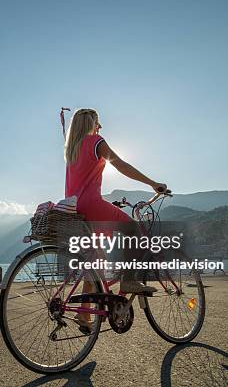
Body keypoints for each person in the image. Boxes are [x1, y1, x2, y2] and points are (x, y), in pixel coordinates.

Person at [64, 108, 167, 332]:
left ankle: (84, 314)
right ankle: (129, 279)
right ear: (92, 124)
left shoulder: (70, 151)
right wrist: (152, 183)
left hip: (74, 209)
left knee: (95, 262)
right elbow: (120, 164)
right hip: (92, 205)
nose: (100, 127)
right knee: (132, 229)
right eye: (98, 123)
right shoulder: (95, 141)